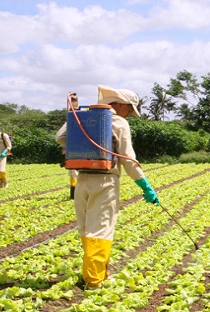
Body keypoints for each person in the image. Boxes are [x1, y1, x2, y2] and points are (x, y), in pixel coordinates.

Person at [56, 85, 159, 290]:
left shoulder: (82, 117)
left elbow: (60, 138)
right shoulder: (118, 123)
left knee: (86, 229)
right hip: (105, 182)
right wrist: (144, 185)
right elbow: (128, 159)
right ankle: (94, 281)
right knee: (101, 230)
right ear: (119, 104)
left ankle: (96, 273)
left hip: (82, 179)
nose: (129, 114)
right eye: (129, 109)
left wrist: (76, 119)